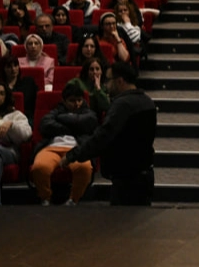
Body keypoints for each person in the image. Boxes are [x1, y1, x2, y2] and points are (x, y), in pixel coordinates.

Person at [61, 62, 157, 205]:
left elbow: (102, 137)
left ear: (120, 81)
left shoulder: (122, 105)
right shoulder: (147, 101)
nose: (106, 85)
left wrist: (72, 155)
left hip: (126, 178)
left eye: (108, 80)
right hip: (145, 173)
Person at [30, 84, 97, 206]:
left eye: (79, 100)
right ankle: (46, 198)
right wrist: (76, 127)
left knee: (84, 168)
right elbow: (45, 125)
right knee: (40, 167)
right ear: (64, 101)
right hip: (51, 148)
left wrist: (61, 119)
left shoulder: (88, 113)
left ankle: (73, 200)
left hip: (77, 149)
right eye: (72, 101)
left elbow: (90, 123)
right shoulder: (55, 112)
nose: (77, 104)